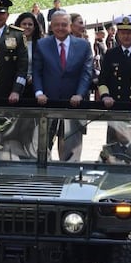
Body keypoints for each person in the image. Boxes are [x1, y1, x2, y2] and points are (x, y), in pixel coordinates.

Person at [32, 10, 94, 161]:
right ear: (51, 26)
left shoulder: (83, 45)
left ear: (70, 26)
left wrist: (79, 94)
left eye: (64, 25)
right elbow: (37, 72)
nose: (60, 28)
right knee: (42, 149)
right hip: (47, 104)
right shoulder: (41, 44)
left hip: (74, 105)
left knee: (71, 152)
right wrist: (39, 92)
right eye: (56, 25)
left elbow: (86, 73)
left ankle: (70, 180)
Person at [14, 11, 43, 99]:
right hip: (14, 87)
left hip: (35, 87)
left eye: (30, 24)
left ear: (34, 27)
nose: (27, 27)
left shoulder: (41, 44)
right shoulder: (11, 43)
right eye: (24, 24)